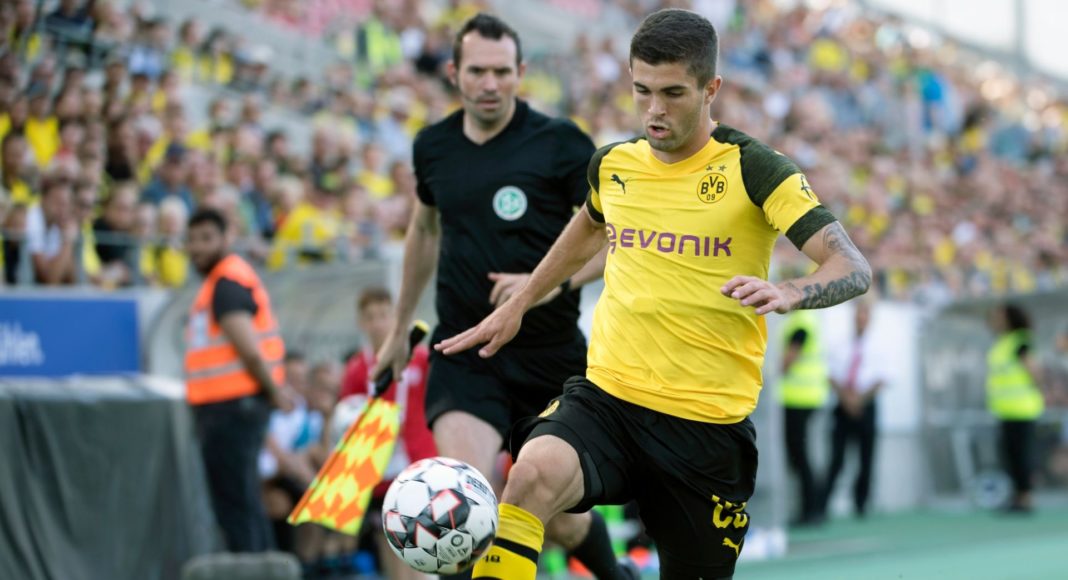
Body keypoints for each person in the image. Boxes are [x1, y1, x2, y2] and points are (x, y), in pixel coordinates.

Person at [435, 9, 871, 579]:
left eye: (673, 93)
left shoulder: (756, 169)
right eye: (642, 90)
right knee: (531, 474)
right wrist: (521, 302)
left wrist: (791, 290)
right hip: (609, 399)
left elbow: (851, 265)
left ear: (710, 88)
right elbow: (588, 228)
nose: (654, 110)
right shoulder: (614, 164)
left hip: (705, 427)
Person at [373, 13, 625, 580]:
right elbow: (423, 230)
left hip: (550, 355)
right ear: (454, 73)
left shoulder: (560, 143)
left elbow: (618, 237)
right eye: (478, 71)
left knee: (555, 519)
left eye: (502, 72)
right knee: (460, 502)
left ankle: (616, 575)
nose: (491, 83)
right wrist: (397, 329)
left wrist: (542, 286)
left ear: (521, 72)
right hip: (465, 353)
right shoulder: (433, 147)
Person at [185, 207, 290, 552]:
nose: (197, 247)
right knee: (244, 501)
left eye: (206, 238)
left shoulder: (226, 283)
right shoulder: (224, 280)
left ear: (226, 238)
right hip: (232, 407)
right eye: (192, 240)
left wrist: (275, 392)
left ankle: (253, 569)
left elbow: (250, 351)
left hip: (231, 409)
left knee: (236, 506)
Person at [339, 287, 435, 580]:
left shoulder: (420, 358)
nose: (378, 323)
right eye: (370, 317)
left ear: (395, 317)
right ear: (362, 323)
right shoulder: (357, 369)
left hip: (418, 462)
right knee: (388, 538)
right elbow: (347, 415)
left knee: (419, 536)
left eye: (383, 315)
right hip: (379, 467)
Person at [821, 300, 887, 519]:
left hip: (866, 407)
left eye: (865, 315)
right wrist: (847, 399)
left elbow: (882, 378)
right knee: (836, 457)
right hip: (842, 407)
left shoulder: (879, 345)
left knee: (866, 458)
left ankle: (861, 504)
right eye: (858, 314)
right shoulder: (840, 344)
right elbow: (831, 373)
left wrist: (859, 400)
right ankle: (822, 504)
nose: (861, 319)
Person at [986, 303, 1045, 513]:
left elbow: (1034, 370)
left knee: (1021, 455)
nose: (995, 321)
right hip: (1006, 410)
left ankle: (1025, 497)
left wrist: (1042, 389)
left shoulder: (1020, 341)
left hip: (1023, 409)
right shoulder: (1004, 343)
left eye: (999, 317)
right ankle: (1017, 496)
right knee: (1010, 456)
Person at [779, 309, 830, 526]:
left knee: (799, 456)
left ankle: (811, 509)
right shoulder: (805, 320)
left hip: (799, 399)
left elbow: (789, 359)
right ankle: (812, 508)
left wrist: (767, 375)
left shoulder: (801, 322)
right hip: (805, 398)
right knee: (800, 456)